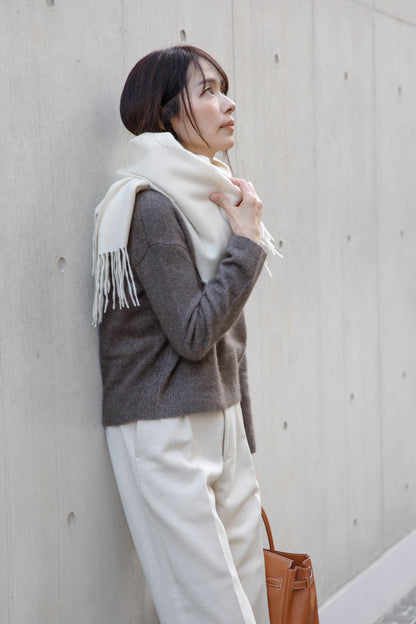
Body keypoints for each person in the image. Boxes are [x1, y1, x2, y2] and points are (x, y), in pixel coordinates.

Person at [92, 44, 276, 624]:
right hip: (164, 428)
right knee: (214, 612)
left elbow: (229, 336)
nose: (229, 104)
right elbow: (194, 333)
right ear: (168, 111)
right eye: (208, 92)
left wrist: (241, 432)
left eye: (224, 89)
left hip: (221, 421)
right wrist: (245, 245)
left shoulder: (212, 194)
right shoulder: (148, 206)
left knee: (253, 599)